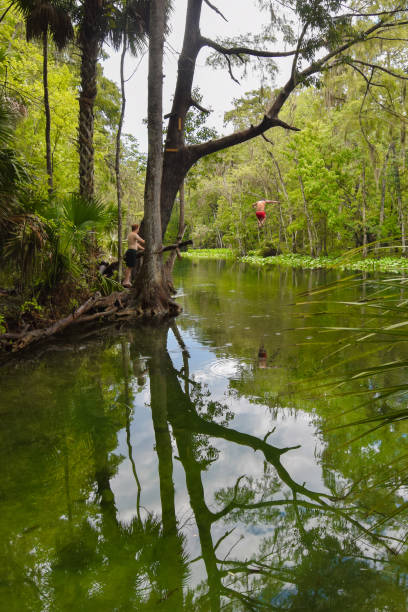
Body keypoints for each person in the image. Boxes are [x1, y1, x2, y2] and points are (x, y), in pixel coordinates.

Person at [123, 223, 145, 288]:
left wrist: (143, 249)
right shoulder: (134, 234)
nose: (139, 229)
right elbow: (142, 241)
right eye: (138, 228)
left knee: (130, 267)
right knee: (129, 267)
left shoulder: (130, 234)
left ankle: (127, 281)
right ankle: (126, 281)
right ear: (136, 228)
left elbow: (137, 244)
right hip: (132, 252)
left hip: (130, 251)